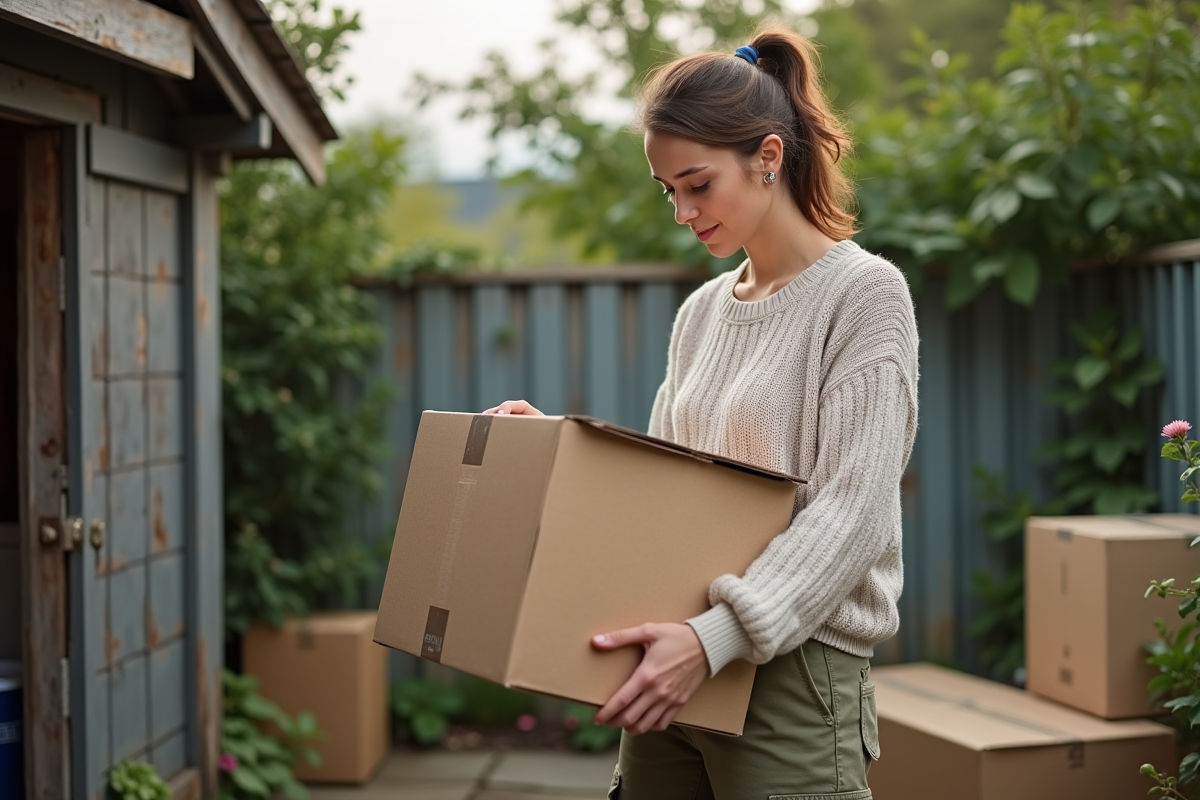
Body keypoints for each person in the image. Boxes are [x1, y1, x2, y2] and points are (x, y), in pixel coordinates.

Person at [484, 26, 919, 800]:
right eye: (669, 191)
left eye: (697, 184)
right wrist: (556, 450)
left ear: (767, 156)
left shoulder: (865, 296)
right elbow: (666, 493)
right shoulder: (702, 313)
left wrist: (717, 637)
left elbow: (851, 513)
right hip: (674, 660)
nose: (682, 211)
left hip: (789, 672)